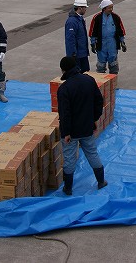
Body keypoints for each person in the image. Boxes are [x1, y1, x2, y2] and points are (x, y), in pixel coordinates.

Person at [57, 56, 107, 195]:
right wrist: (94, 119)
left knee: (69, 158)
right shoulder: (89, 80)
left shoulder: (64, 89)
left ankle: (68, 188)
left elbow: (64, 114)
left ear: (64, 70)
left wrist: (66, 132)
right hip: (87, 127)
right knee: (92, 153)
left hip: (71, 132)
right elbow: (98, 102)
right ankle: (101, 181)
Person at [89, 0, 126, 74]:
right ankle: (101, 77)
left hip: (112, 43)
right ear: (104, 8)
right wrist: (93, 44)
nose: (111, 9)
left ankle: (113, 77)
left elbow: (120, 30)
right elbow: (93, 31)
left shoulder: (116, 17)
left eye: (112, 7)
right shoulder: (97, 17)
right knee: (101, 63)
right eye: (109, 8)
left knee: (113, 61)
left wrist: (122, 42)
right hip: (101, 43)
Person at [65, 0, 90, 73]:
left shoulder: (79, 19)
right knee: (77, 74)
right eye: (85, 8)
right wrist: (73, 55)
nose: (86, 9)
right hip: (77, 55)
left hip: (82, 53)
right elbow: (70, 40)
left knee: (85, 72)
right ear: (80, 8)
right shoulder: (72, 22)